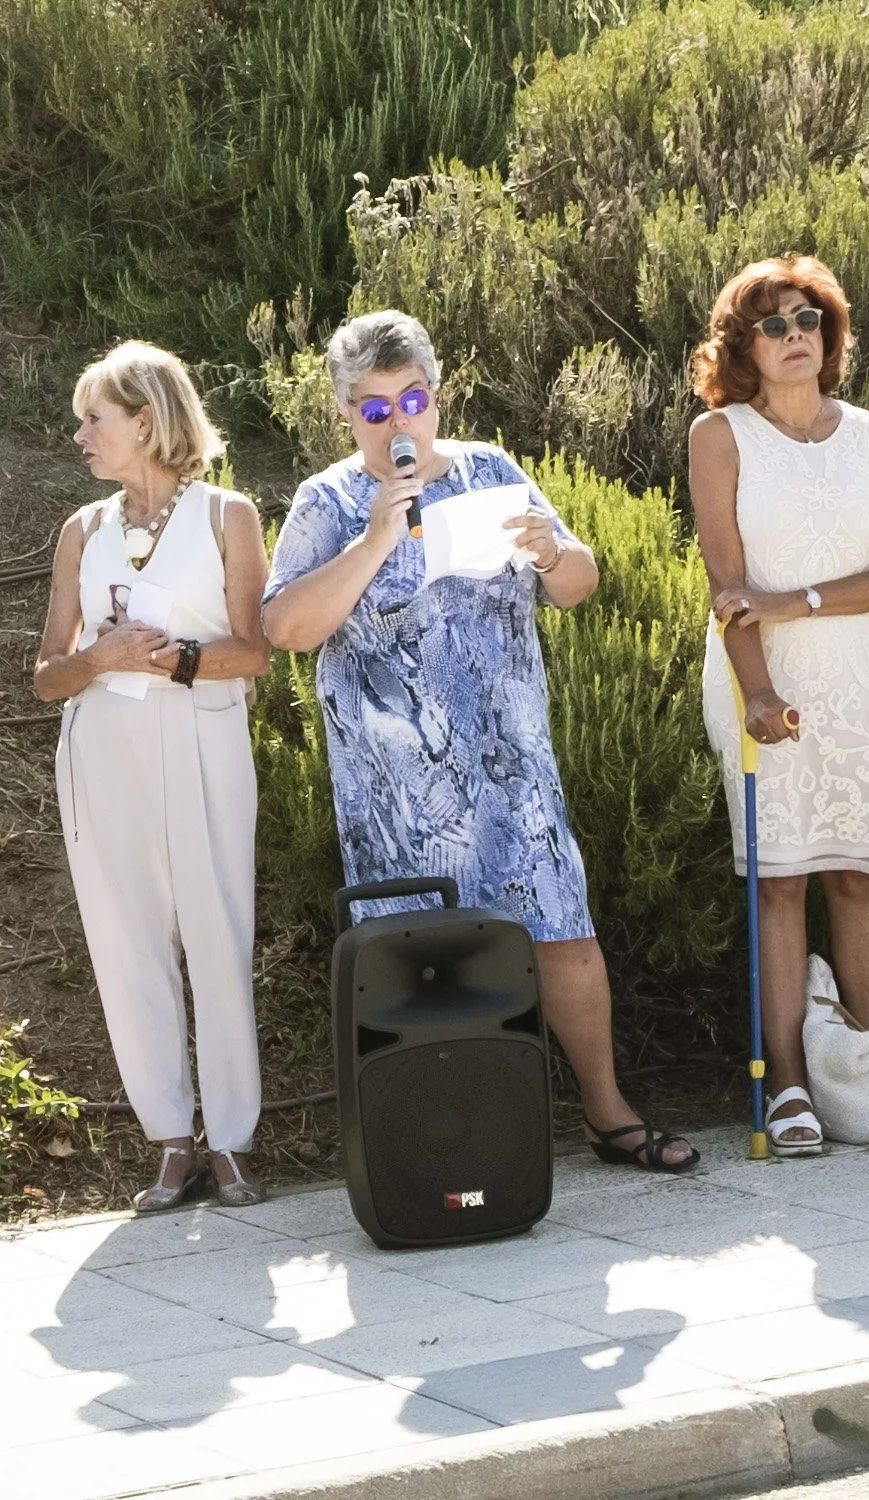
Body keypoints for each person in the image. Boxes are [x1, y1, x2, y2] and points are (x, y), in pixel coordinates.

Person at [263, 312, 702, 1172]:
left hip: (512, 774)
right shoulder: (328, 501)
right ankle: (444, 1142)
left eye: (412, 399)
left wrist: (550, 550)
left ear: (437, 394)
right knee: (424, 965)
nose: (398, 422)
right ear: (345, 415)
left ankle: (609, 1116)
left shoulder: (493, 470)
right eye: (374, 408)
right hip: (400, 796)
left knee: (563, 935)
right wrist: (375, 538)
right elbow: (285, 627)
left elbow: (579, 585)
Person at [33, 340, 274, 1213]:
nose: (81, 435)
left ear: (146, 420)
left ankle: (234, 1141)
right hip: (101, 746)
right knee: (127, 942)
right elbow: (46, 673)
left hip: (202, 736)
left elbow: (257, 654)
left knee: (217, 934)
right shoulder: (81, 532)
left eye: (93, 418)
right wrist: (98, 657)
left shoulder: (227, 516)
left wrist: (175, 661)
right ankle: (170, 1141)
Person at [687, 259, 869, 1156]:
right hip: (765, 687)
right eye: (774, 323)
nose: (795, 336)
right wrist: (759, 690)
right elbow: (728, 584)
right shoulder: (722, 434)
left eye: (809, 320)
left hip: (859, 679)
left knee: (858, 880)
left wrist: (799, 603)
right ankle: (788, 1084)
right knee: (779, 884)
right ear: (743, 345)